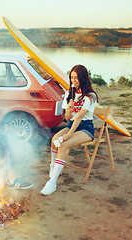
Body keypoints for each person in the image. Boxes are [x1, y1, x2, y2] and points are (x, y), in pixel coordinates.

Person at [40, 65, 98, 195]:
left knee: (64, 144)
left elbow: (80, 118)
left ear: (83, 78)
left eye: (76, 78)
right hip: (71, 124)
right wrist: (69, 109)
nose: (73, 81)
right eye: (72, 78)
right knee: (55, 140)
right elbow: (68, 118)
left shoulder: (90, 96)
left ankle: (52, 182)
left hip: (85, 128)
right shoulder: (69, 94)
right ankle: (53, 166)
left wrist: (68, 135)